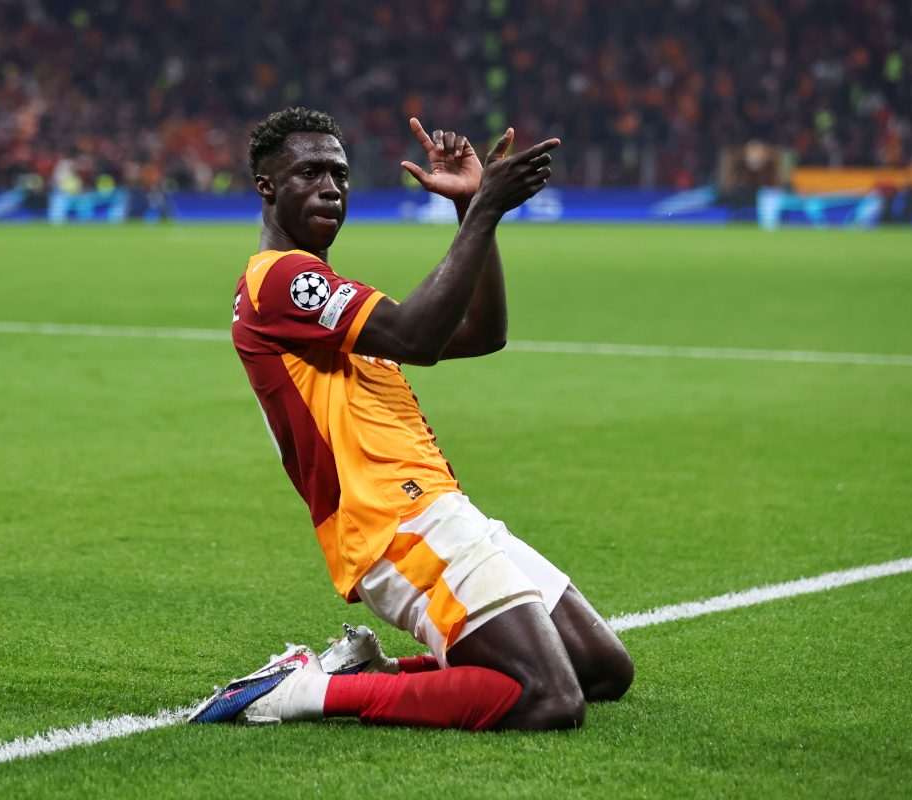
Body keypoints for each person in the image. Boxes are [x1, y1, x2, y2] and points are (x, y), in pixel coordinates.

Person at [192, 107, 632, 732]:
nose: (330, 187)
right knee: (549, 699)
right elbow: (419, 336)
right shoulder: (282, 280)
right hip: (394, 522)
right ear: (266, 186)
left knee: (603, 670)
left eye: (340, 174)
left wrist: (470, 208)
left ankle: (366, 675)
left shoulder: (322, 292)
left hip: (436, 506)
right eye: (308, 172)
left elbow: (481, 333)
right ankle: (302, 693)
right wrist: (483, 209)